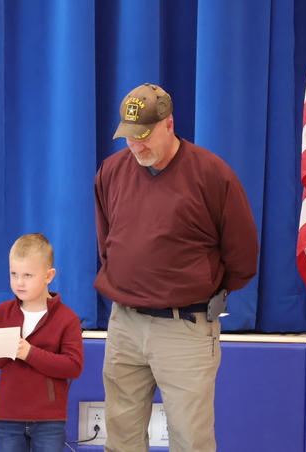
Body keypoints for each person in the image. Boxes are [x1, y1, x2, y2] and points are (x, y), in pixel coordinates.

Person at [94, 83, 259, 452]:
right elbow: (108, 242)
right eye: (128, 137)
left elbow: (243, 259)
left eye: (143, 136)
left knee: (190, 441)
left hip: (185, 326)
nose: (135, 146)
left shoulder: (213, 175)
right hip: (125, 325)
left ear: (169, 124)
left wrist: (200, 288)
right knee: (120, 439)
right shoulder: (112, 171)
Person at [0, 233, 84, 452]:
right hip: (8, 418)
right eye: (14, 274)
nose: (19, 282)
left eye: (28, 275)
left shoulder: (67, 318)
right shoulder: (2, 312)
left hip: (49, 421)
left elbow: (73, 367)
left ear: (49, 275)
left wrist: (29, 353)